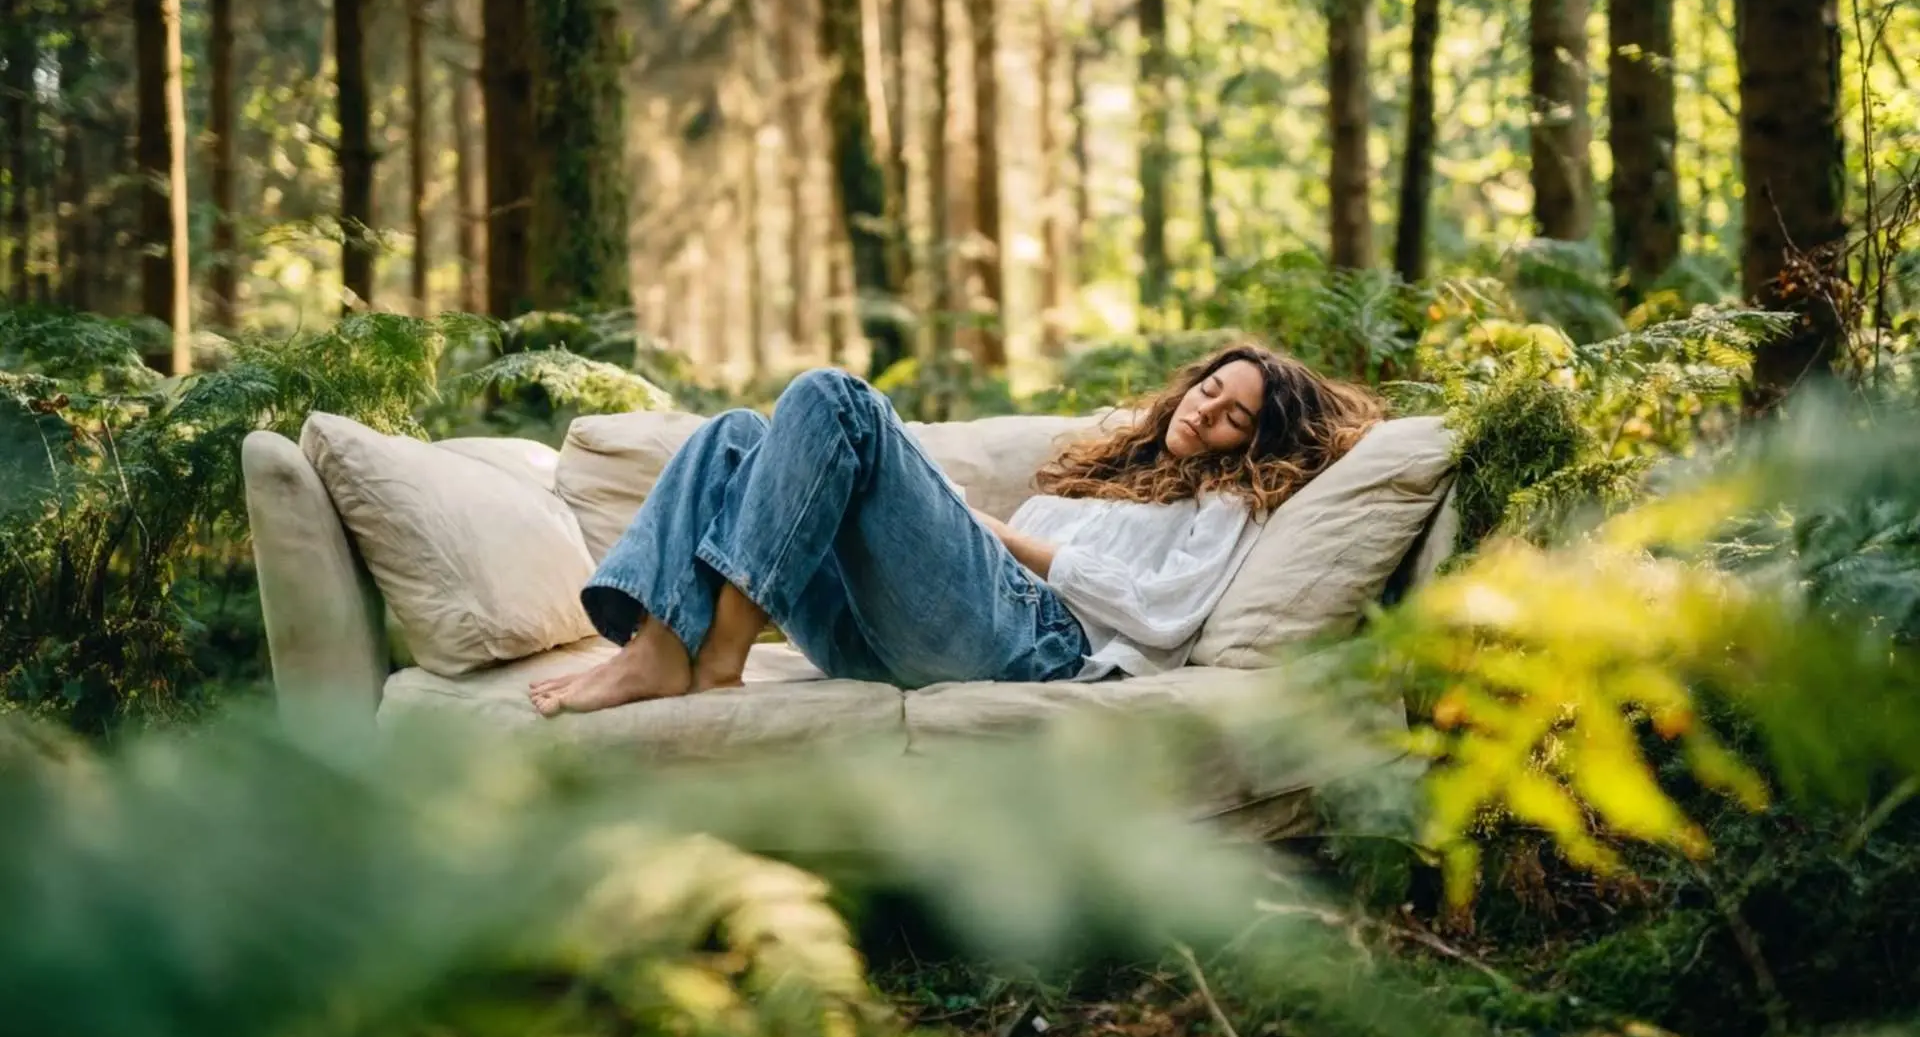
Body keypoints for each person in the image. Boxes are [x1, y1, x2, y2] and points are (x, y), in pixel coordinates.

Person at [528, 344, 1383, 718]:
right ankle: (657, 641)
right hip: (884, 641)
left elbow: (1164, 615)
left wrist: (1007, 540)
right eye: (1210, 391)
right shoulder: (1108, 467)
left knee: (836, 398)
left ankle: (711, 662)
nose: (1210, 416)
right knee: (733, 436)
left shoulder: (1224, 504)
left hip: (1036, 648)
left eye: (1238, 418)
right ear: (1188, 385)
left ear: (1256, 443)